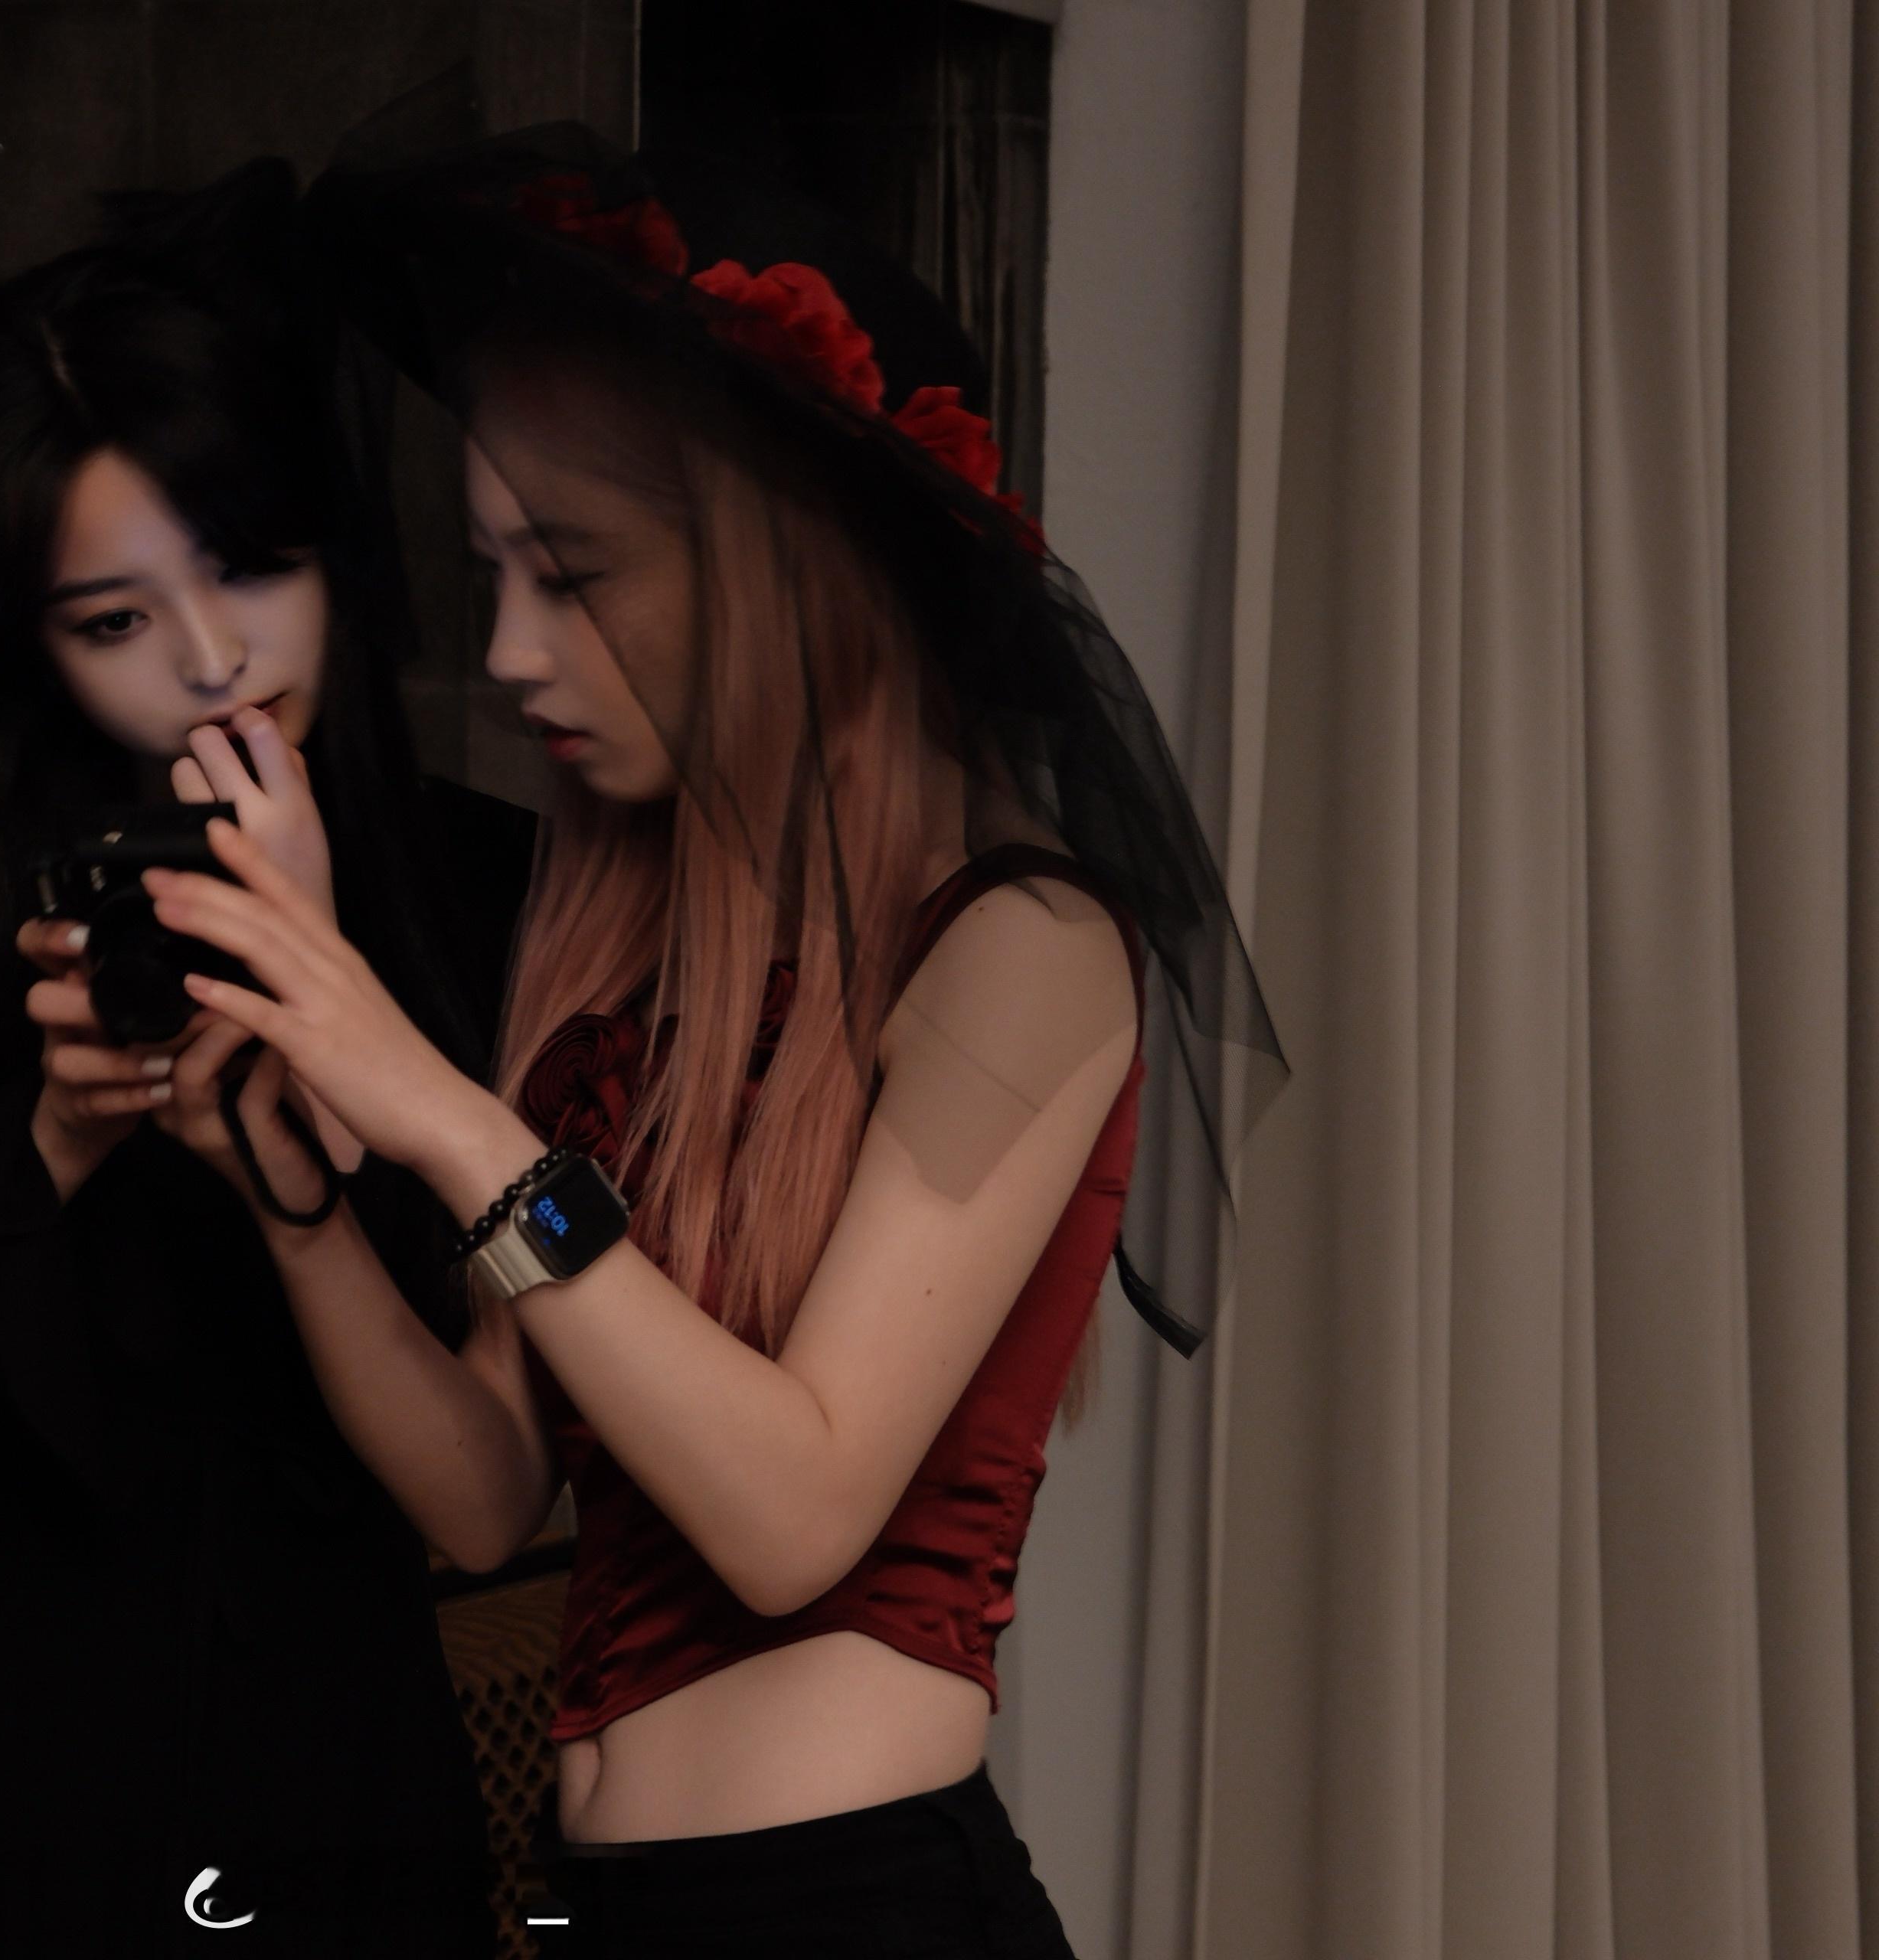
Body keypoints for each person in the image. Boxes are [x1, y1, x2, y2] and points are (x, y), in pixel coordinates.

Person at [132, 126, 1283, 1958]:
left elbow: (794, 1510)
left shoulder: (1027, 944)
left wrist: (441, 1115)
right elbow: (487, 1489)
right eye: (492, 574)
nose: (512, 652)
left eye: (573, 575)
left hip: (858, 1911)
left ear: (783, 567)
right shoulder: (625, 952)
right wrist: (294, 1200)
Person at [0, 162, 529, 1957]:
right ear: (34, 641)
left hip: (318, 1729)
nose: (215, 660)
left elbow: (486, 1496)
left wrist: (313, 1036)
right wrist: (54, 1131)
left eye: (249, 563)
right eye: (116, 619)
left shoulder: (480, 879)